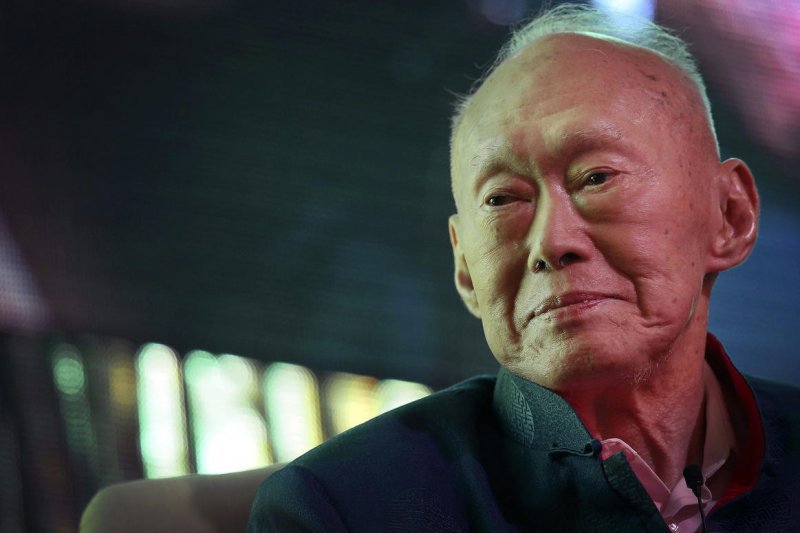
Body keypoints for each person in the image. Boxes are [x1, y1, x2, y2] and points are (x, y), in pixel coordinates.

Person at [247, 4, 800, 531]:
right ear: (466, 268)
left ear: (729, 215)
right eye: (503, 200)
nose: (551, 242)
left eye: (596, 178)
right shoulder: (345, 512)